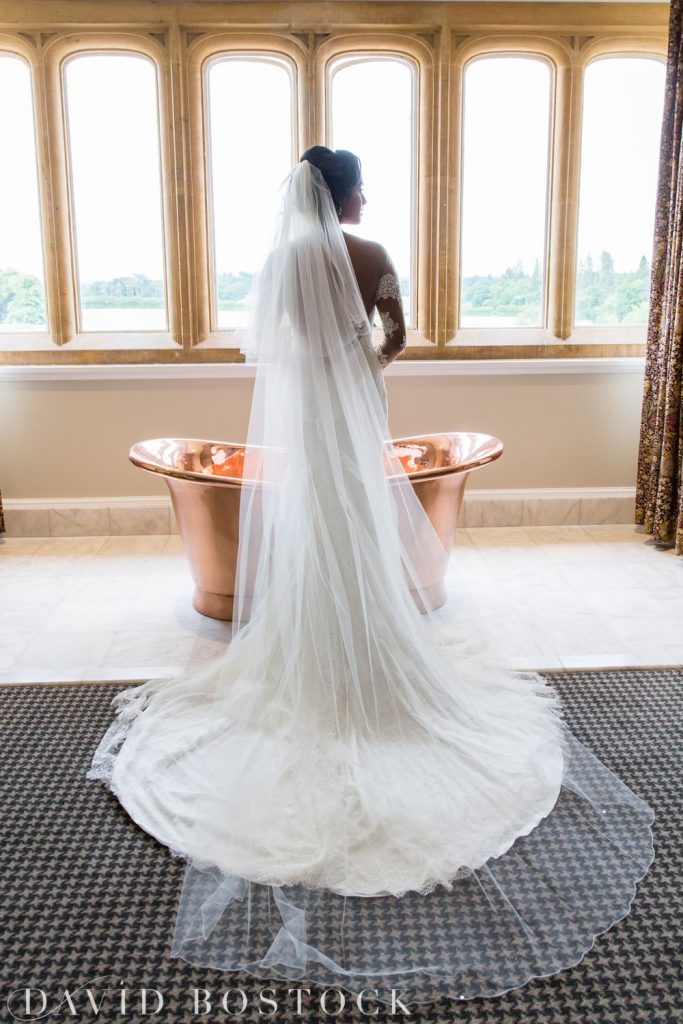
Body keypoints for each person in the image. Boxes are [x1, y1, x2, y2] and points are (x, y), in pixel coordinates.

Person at [86, 147, 654, 1007]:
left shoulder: (281, 262)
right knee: (358, 525)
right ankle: (377, 653)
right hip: (351, 406)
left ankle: (310, 650)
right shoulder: (372, 253)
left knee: (314, 530)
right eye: (362, 187)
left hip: (307, 412)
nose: (366, 197)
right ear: (347, 194)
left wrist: (315, 373)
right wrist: (358, 370)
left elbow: (266, 345)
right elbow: (397, 336)